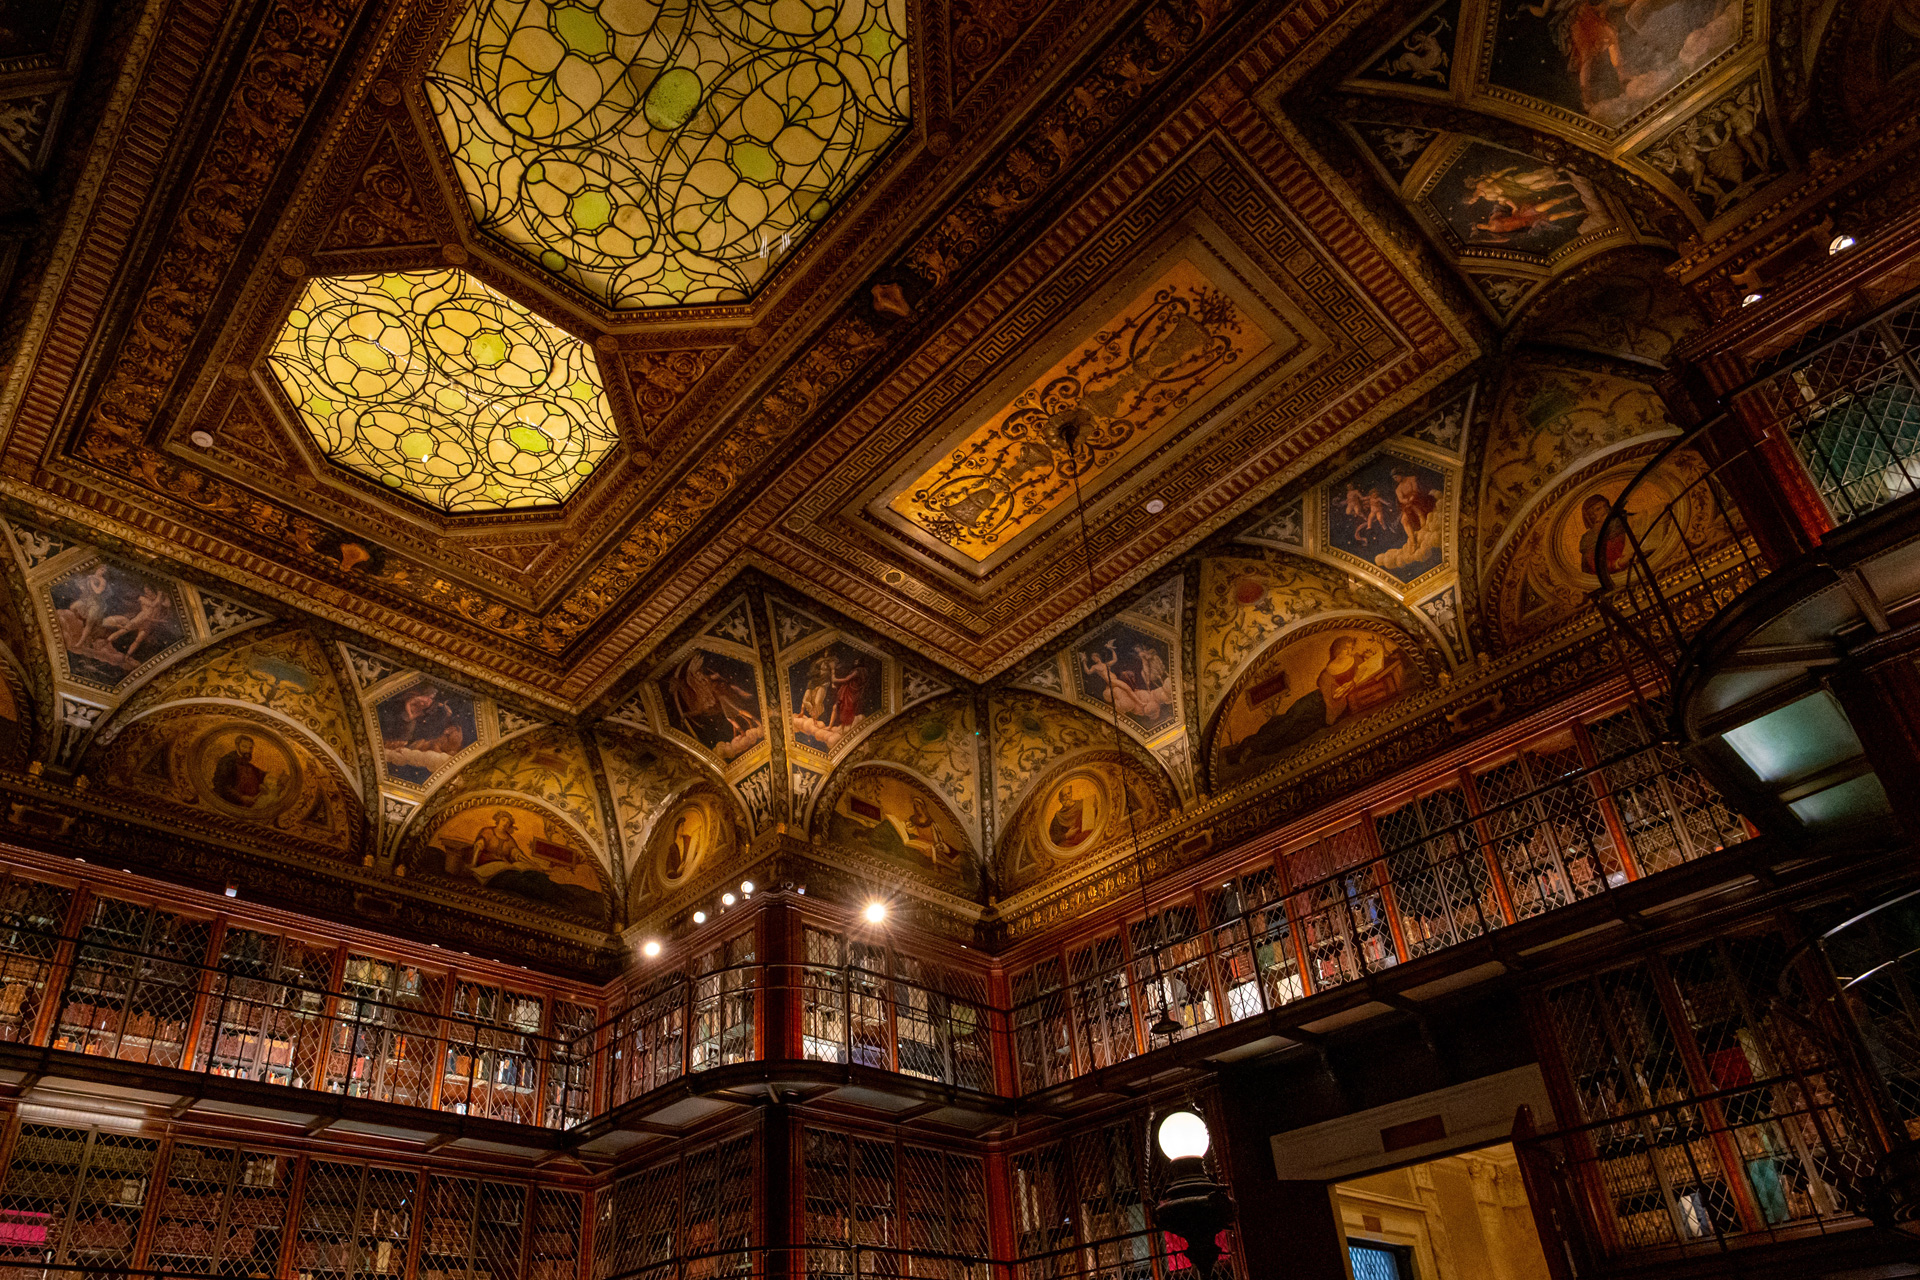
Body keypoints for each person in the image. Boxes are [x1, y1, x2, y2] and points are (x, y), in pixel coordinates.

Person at [104, 584, 173, 663]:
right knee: (123, 630)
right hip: (140, 620)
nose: (148, 593)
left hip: (149, 624)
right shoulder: (143, 598)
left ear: (153, 590)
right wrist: (160, 594)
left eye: (149, 591)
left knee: (138, 640)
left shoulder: (159, 599)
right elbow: (153, 605)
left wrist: (165, 596)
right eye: (146, 591)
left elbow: (168, 604)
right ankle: (106, 642)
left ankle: (127, 656)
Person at [212, 735, 274, 808]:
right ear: (237, 746)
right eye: (244, 747)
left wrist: (266, 776)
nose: (248, 750)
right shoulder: (227, 762)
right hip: (228, 804)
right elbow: (221, 785)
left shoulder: (246, 762)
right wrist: (241, 798)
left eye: (250, 748)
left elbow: (257, 773)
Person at [1048, 782, 1095, 849]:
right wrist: (1066, 835)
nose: (1067, 797)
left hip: (1084, 837)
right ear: (1060, 800)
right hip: (1069, 844)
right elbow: (1054, 839)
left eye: (1068, 793)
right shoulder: (1058, 817)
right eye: (1064, 795)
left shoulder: (1082, 804)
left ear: (1071, 794)